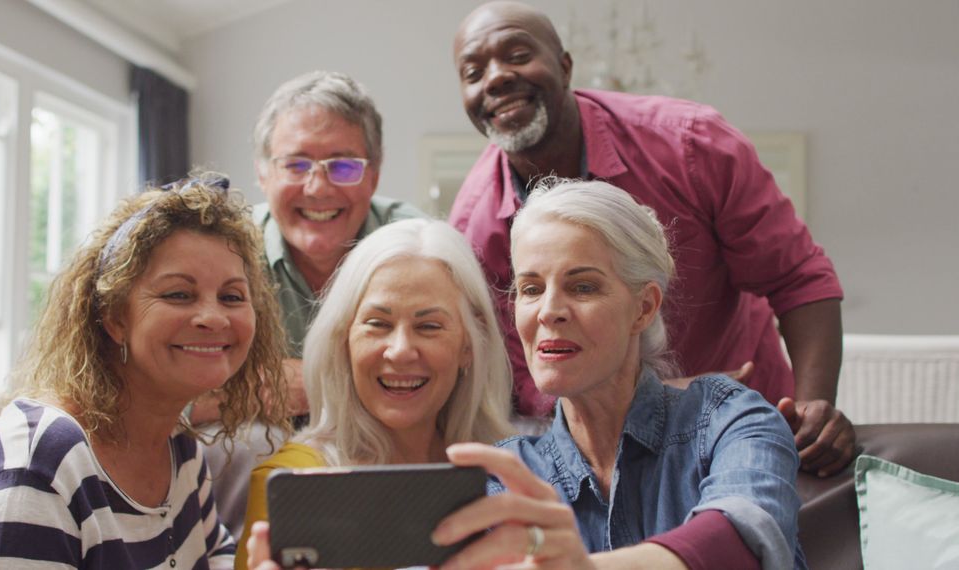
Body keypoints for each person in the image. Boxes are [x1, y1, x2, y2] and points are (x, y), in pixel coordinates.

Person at [449, 1, 852, 475]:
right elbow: (529, 384)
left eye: (517, 55)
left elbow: (799, 279)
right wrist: (665, 398)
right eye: (473, 72)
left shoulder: (692, 145)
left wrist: (813, 407)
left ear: (565, 66)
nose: (495, 78)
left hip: (744, 430)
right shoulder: (472, 231)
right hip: (602, 455)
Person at [0, 175, 291, 569]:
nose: (213, 317)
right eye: (178, 294)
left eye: (231, 297)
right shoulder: (39, 461)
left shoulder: (181, 452)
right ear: (113, 317)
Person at [430, 179, 804, 569]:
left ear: (643, 308)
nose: (548, 311)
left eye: (583, 287)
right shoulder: (509, 475)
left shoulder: (731, 420)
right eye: (530, 288)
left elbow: (741, 540)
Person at [238, 218, 514, 570]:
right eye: (377, 324)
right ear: (343, 341)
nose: (399, 351)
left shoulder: (509, 472)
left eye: (429, 326)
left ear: (469, 346)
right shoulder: (296, 482)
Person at [246, 70, 426, 417]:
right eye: (296, 165)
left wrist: (316, 383)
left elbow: (448, 379)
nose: (318, 188)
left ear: (374, 175)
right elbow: (168, 386)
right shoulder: (222, 248)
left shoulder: (419, 248)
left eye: (343, 166)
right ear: (263, 174)